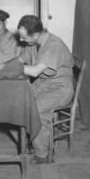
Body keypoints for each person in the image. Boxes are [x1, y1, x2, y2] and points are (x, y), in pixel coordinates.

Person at [17, 15, 74, 164]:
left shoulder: (53, 45)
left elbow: (35, 71)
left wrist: (13, 69)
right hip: (44, 86)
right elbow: (20, 60)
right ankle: (38, 141)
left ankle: (43, 154)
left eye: (24, 38)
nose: (21, 41)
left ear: (35, 34)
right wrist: (2, 66)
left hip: (60, 89)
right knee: (20, 101)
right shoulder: (33, 44)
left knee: (35, 109)